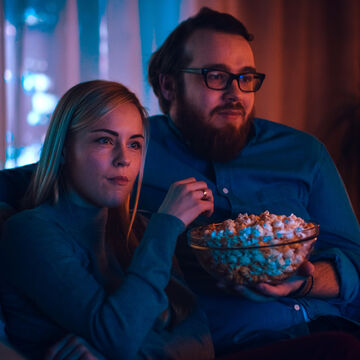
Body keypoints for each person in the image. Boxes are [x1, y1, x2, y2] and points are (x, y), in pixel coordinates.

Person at [138, 6, 360, 355]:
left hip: (331, 325)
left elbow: (355, 259)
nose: (235, 93)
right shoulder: (133, 150)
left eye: (246, 77)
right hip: (233, 345)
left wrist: (303, 282)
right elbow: (45, 197)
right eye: (216, 76)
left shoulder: (302, 152)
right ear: (169, 85)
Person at [0, 80, 216, 360]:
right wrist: (167, 225)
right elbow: (116, 337)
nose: (123, 159)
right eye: (105, 140)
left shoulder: (141, 229)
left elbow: (203, 342)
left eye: (134, 144)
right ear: (64, 148)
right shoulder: (28, 233)